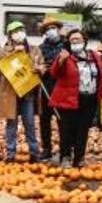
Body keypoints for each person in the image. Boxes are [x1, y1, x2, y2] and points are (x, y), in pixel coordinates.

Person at [48, 28, 102, 168]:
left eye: (78, 39)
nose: (75, 42)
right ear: (68, 43)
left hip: (89, 99)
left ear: (84, 41)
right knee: (66, 129)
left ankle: (79, 157)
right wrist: (60, 61)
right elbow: (54, 73)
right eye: (72, 40)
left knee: (83, 129)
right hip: (68, 99)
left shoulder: (93, 55)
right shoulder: (65, 56)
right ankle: (65, 157)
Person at [0, 21, 45, 162]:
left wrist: (39, 68)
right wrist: (13, 54)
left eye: (21, 30)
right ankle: (10, 154)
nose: (19, 33)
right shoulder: (3, 50)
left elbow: (42, 66)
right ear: (10, 36)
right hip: (11, 93)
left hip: (28, 92)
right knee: (11, 124)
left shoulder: (34, 49)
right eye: (15, 31)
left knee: (29, 122)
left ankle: (34, 153)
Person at [35, 18, 64, 161]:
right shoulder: (40, 48)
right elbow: (37, 64)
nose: (51, 31)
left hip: (62, 87)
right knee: (44, 119)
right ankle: (46, 148)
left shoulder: (66, 45)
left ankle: (65, 149)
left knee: (63, 119)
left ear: (58, 29)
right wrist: (40, 68)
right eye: (47, 29)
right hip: (46, 87)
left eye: (53, 27)